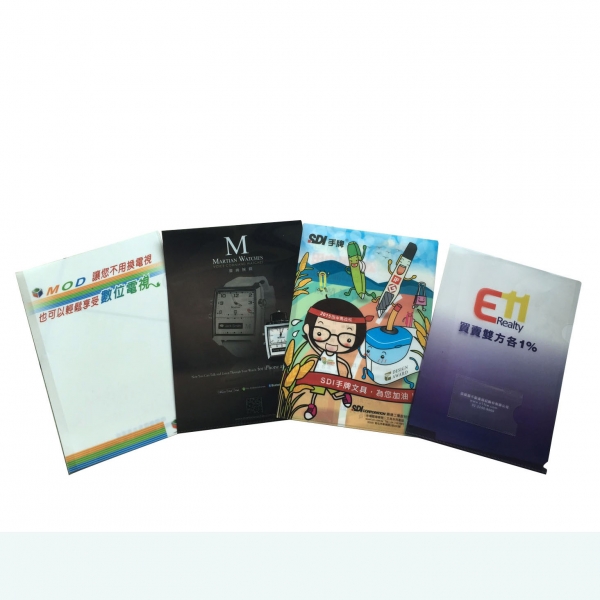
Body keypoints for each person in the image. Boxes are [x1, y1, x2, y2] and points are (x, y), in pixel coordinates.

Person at [300, 297, 371, 419]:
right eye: (320, 333)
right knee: (315, 393)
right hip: (318, 376)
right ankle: (312, 407)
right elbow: (312, 343)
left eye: (347, 338)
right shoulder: (320, 351)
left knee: (335, 395)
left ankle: (344, 396)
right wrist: (308, 333)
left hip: (333, 378)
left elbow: (343, 363)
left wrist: (348, 377)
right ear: (309, 328)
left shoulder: (336, 357)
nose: (332, 342)